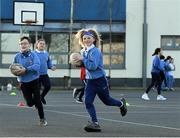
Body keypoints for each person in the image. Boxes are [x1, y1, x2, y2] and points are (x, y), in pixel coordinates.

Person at [73, 28, 127, 132]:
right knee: (88, 102)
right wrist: (77, 62)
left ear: (93, 39)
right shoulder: (82, 51)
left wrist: (82, 59)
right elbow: (83, 65)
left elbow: (93, 66)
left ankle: (121, 104)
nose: (86, 40)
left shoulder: (96, 51)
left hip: (100, 80)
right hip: (90, 81)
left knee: (107, 101)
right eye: (84, 38)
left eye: (89, 38)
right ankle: (95, 123)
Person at [13, 36, 47, 126]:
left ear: (29, 45)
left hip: (34, 80)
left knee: (38, 100)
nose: (23, 45)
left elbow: (37, 66)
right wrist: (18, 79)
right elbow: (14, 69)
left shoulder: (33, 55)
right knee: (29, 103)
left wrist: (26, 70)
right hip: (24, 83)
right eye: (21, 44)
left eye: (25, 43)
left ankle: (42, 119)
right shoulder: (17, 56)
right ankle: (35, 102)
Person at [35, 39, 56, 105]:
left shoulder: (46, 53)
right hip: (35, 75)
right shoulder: (33, 53)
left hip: (44, 74)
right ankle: (37, 103)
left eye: (43, 44)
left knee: (48, 86)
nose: (42, 45)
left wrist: (51, 66)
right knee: (37, 90)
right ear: (37, 45)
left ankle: (42, 96)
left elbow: (48, 62)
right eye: (40, 43)